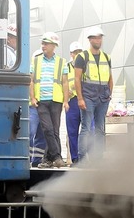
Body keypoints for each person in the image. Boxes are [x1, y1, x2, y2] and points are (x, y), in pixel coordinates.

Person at [30, 32, 70, 168]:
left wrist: (65, 101)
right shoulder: (36, 61)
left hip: (56, 101)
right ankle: (57, 157)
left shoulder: (61, 62)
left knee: (55, 130)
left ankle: (47, 160)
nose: (43, 46)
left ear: (54, 46)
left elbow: (65, 83)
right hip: (41, 100)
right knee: (47, 129)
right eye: (42, 43)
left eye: (46, 43)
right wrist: (33, 97)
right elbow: (31, 80)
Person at [73, 26, 113, 160]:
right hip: (88, 96)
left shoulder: (106, 57)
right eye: (95, 38)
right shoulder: (82, 57)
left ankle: (98, 158)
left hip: (103, 97)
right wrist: (80, 98)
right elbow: (77, 79)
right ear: (90, 40)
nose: (98, 40)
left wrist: (109, 93)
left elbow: (110, 77)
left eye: (100, 37)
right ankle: (82, 158)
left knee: (100, 129)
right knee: (86, 128)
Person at [66, 41, 84, 163]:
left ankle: (87, 157)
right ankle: (75, 158)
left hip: (84, 100)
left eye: (79, 52)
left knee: (88, 129)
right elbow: (61, 82)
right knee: (72, 131)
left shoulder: (86, 65)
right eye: (75, 52)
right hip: (71, 101)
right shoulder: (65, 67)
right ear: (71, 54)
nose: (77, 55)